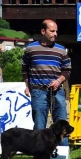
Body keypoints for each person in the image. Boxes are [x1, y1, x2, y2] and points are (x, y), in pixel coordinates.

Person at [22, 19, 71, 147]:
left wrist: (58, 81)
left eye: (56, 31)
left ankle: (63, 157)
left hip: (57, 91)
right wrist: (27, 85)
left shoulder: (61, 50)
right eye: (52, 31)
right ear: (43, 31)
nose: (55, 34)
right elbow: (25, 68)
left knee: (62, 123)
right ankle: (38, 158)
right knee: (39, 125)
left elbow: (67, 70)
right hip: (38, 91)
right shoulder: (30, 48)